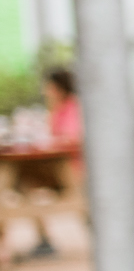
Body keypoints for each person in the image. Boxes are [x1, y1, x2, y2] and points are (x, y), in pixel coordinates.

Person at [19, 67, 81, 259]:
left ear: (59, 88)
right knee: (22, 181)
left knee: (22, 178)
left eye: (48, 87)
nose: (45, 91)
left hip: (70, 169)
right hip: (53, 166)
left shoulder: (73, 108)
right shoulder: (56, 109)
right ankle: (43, 238)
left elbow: (72, 138)